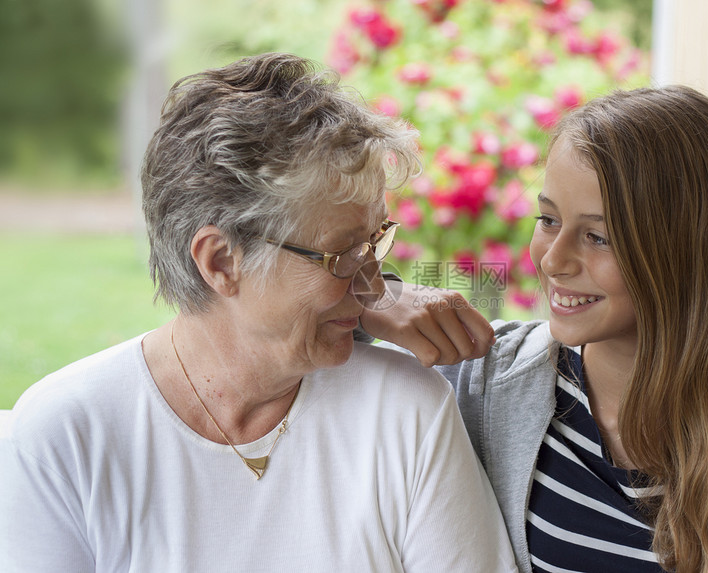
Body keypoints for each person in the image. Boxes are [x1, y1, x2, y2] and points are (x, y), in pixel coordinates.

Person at [0, 53, 517, 572]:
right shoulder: (67, 433)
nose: (375, 287)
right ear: (222, 262)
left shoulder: (406, 413)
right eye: (343, 255)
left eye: (376, 242)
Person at [360, 85, 708, 573]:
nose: (553, 261)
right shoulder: (482, 380)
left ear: (690, 252)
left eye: (597, 237)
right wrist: (372, 299)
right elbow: (301, 365)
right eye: (548, 219)